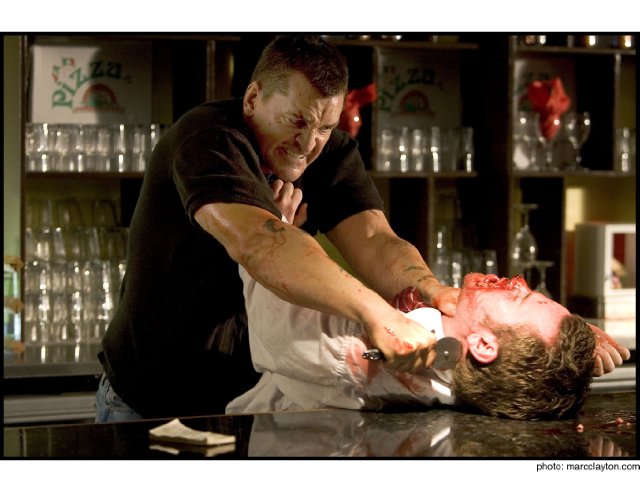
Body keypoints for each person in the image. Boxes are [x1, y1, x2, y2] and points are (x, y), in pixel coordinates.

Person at [95, 35, 460, 422]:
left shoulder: (331, 153)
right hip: (150, 401)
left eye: (325, 127)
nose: (308, 143)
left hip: (245, 403)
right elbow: (259, 242)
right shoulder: (209, 140)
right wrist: (379, 315)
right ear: (253, 99)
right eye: (296, 121)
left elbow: (375, 239)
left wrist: (429, 288)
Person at [227, 265, 631, 420]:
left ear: (483, 346)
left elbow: (273, 319)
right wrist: (568, 348)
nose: (517, 281)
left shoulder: (364, 359)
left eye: (520, 297)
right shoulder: (453, 342)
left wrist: (275, 220)